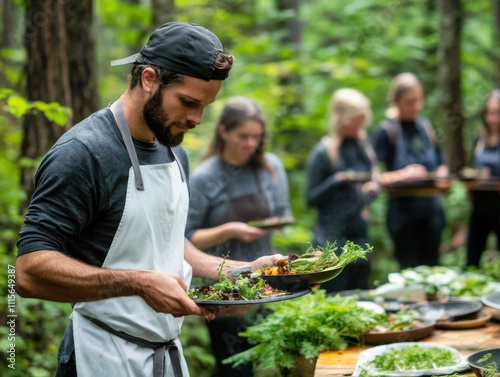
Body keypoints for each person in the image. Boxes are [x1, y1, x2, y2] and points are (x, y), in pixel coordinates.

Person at [15, 22, 282, 377]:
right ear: (148, 78)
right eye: (188, 102)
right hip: (101, 357)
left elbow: (165, 241)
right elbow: (27, 272)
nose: (196, 119)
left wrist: (238, 272)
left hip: (166, 357)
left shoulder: (172, 150)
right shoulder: (83, 154)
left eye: (205, 107)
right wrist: (138, 282)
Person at [185, 96, 292, 377]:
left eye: (256, 137)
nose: (250, 144)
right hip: (226, 291)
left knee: (279, 363)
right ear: (223, 131)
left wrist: (274, 224)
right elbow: (185, 239)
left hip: (268, 284)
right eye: (243, 136)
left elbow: (282, 214)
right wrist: (230, 230)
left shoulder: (271, 167)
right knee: (235, 368)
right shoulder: (205, 178)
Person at [372, 72, 448, 270]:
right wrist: (404, 174)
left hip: (431, 211)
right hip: (402, 214)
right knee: (409, 270)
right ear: (396, 101)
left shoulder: (425, 126)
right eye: (410, 102)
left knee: (433, 268)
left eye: (418, 100)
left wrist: (441, 173)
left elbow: (441, 162)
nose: (416, 106)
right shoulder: (386, 131)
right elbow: (373, 176)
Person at [305, 88, 379, 292]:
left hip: (359, 236)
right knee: (334, 295)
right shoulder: (323, 152)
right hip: (330, 238)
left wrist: (374, 188)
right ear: (343, 119)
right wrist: (336, 181)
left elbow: (374, 182)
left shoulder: (363, 148)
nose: (360, 126)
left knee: (361, 294)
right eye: (356, 121)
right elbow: (310, 199)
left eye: (362, 121)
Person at [466, 90, 500, 267]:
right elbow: (473, 166)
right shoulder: (479, 137)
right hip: (480, 204)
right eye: (489, 112)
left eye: (497, 112)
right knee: (472, 257)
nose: (492, 118)